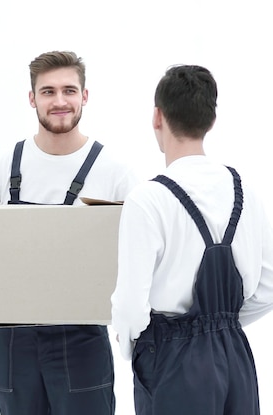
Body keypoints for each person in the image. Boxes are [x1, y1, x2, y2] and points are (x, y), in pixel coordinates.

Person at [0, 51, 138, 414]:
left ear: (84, 96)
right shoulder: (1, 168)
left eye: (69, 91)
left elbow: (140, 253)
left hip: (83, 339)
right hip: (14, 343)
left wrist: (133, 316)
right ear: (32, 99)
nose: (60, 101)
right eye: (47, 92)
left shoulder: (115, 173)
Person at [110, 65, 273, 414]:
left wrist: (134, 346)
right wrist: (224, 325)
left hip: (172, 359)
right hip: (235, 355)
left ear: (157, 117)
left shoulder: (148, 199)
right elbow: (270, 283)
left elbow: (128, 305)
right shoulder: (245, 190)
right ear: (211, 120)